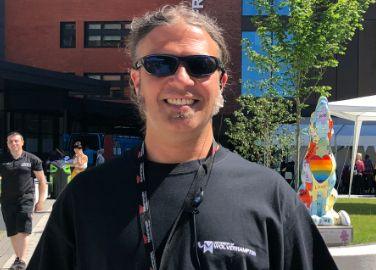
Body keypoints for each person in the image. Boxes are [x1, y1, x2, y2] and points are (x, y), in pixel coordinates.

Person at [28, 5, 338, 270]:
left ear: (222, 83)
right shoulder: (86, 197)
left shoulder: (271, 197)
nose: (181, 79)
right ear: (136, 81)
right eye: (159, 64)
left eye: (200, 65)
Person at [0, 131, 47, 270]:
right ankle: (18, 258)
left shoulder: (32, 159)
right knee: (13, 231)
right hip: (7, 200)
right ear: (7, 144)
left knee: (23, 229)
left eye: (16, 141)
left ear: (22, 142)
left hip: (26, 199)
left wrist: (41, 201)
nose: (13, 143)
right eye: (10, 141)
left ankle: (22, 260)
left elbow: (42, 181)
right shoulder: (2, 159)